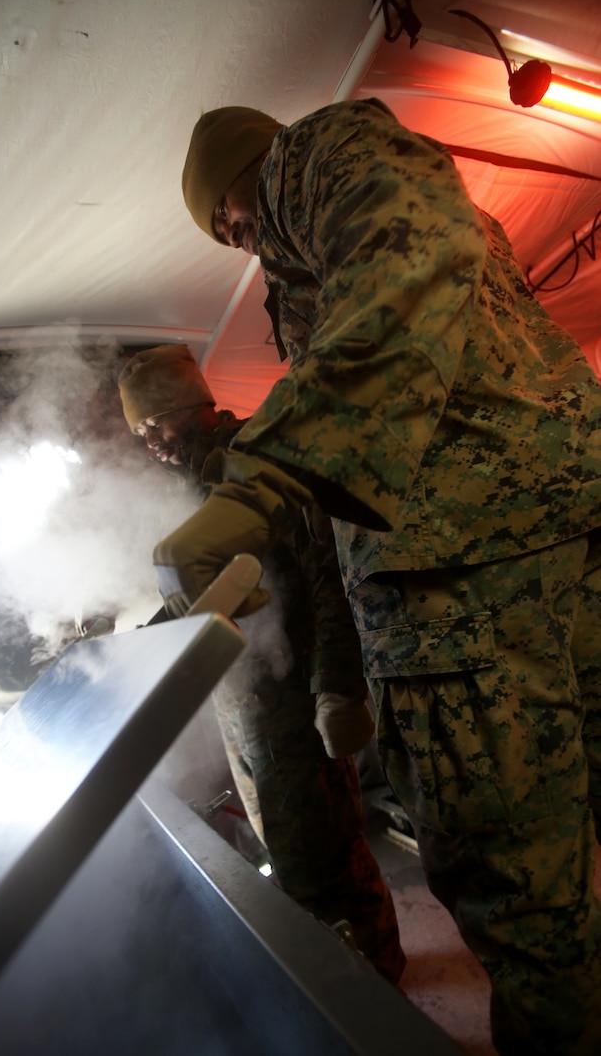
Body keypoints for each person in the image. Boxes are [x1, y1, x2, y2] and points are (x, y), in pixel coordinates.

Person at [151, 99, 601, 1055]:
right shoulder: (344, 209)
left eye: (225, 216)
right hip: (536, 545)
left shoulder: (317, 156)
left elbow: (408, 256)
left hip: (458, 582)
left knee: (521, 904)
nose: (235, 238)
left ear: (247, 173)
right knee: (555, 882)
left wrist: (264, 479)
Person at [117, 343, 406, 984]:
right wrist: (136, 648)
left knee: (323, 852)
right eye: (139, 432)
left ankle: (378, 986)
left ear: (188, 406)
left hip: (293, 692)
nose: (148, 443)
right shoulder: (188, 484)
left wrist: (335, 685)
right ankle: (355, 974)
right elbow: (193, 591)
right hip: (242, 697)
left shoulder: (255, 458)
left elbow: (328, 573)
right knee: (283, 839)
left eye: (153, 424)